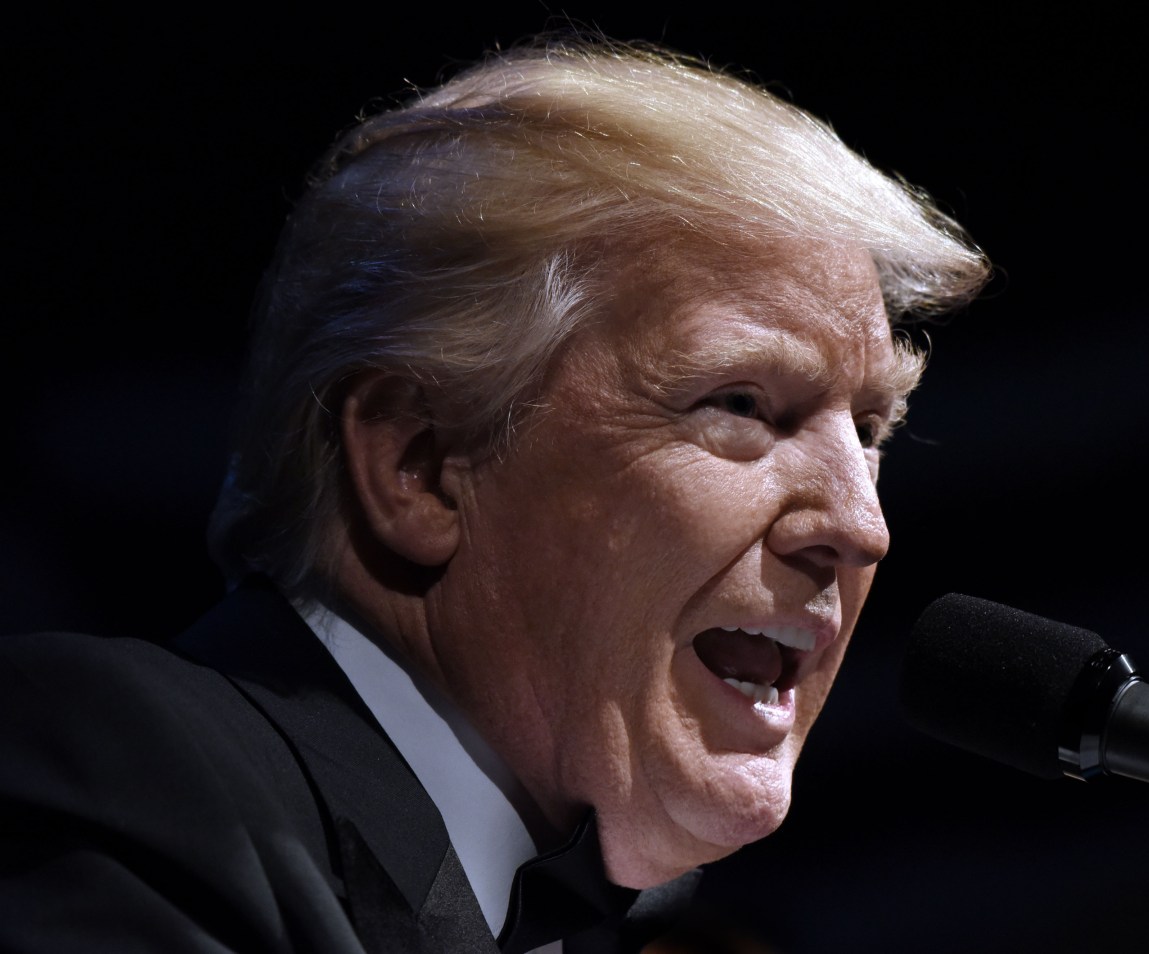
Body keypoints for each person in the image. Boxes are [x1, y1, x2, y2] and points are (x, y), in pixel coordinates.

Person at [0, 35, 988, 953]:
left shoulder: (620, 920)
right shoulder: (126, 777)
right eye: (740, 403)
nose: (863, 527)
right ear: (419, 466)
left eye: (869, 431)